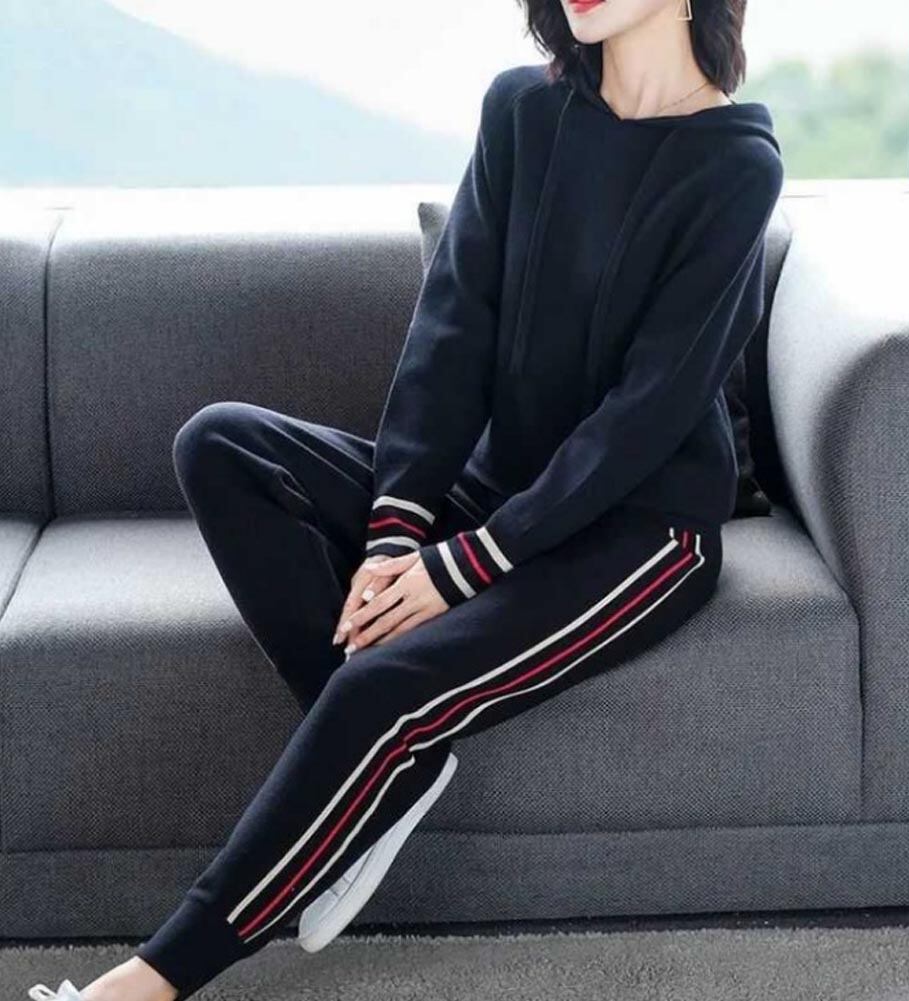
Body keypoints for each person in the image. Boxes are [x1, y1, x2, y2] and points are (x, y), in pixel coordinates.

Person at [28, 0, 783, 997]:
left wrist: (462, 567)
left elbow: (644, 414)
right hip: (496, 486)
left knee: (376, 687)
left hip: (639, 531)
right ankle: (396, 774)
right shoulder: (522, 112)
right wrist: (398, 530)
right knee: (221, 444)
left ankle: (145, 981)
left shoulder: (734, 163)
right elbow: (452, 328)